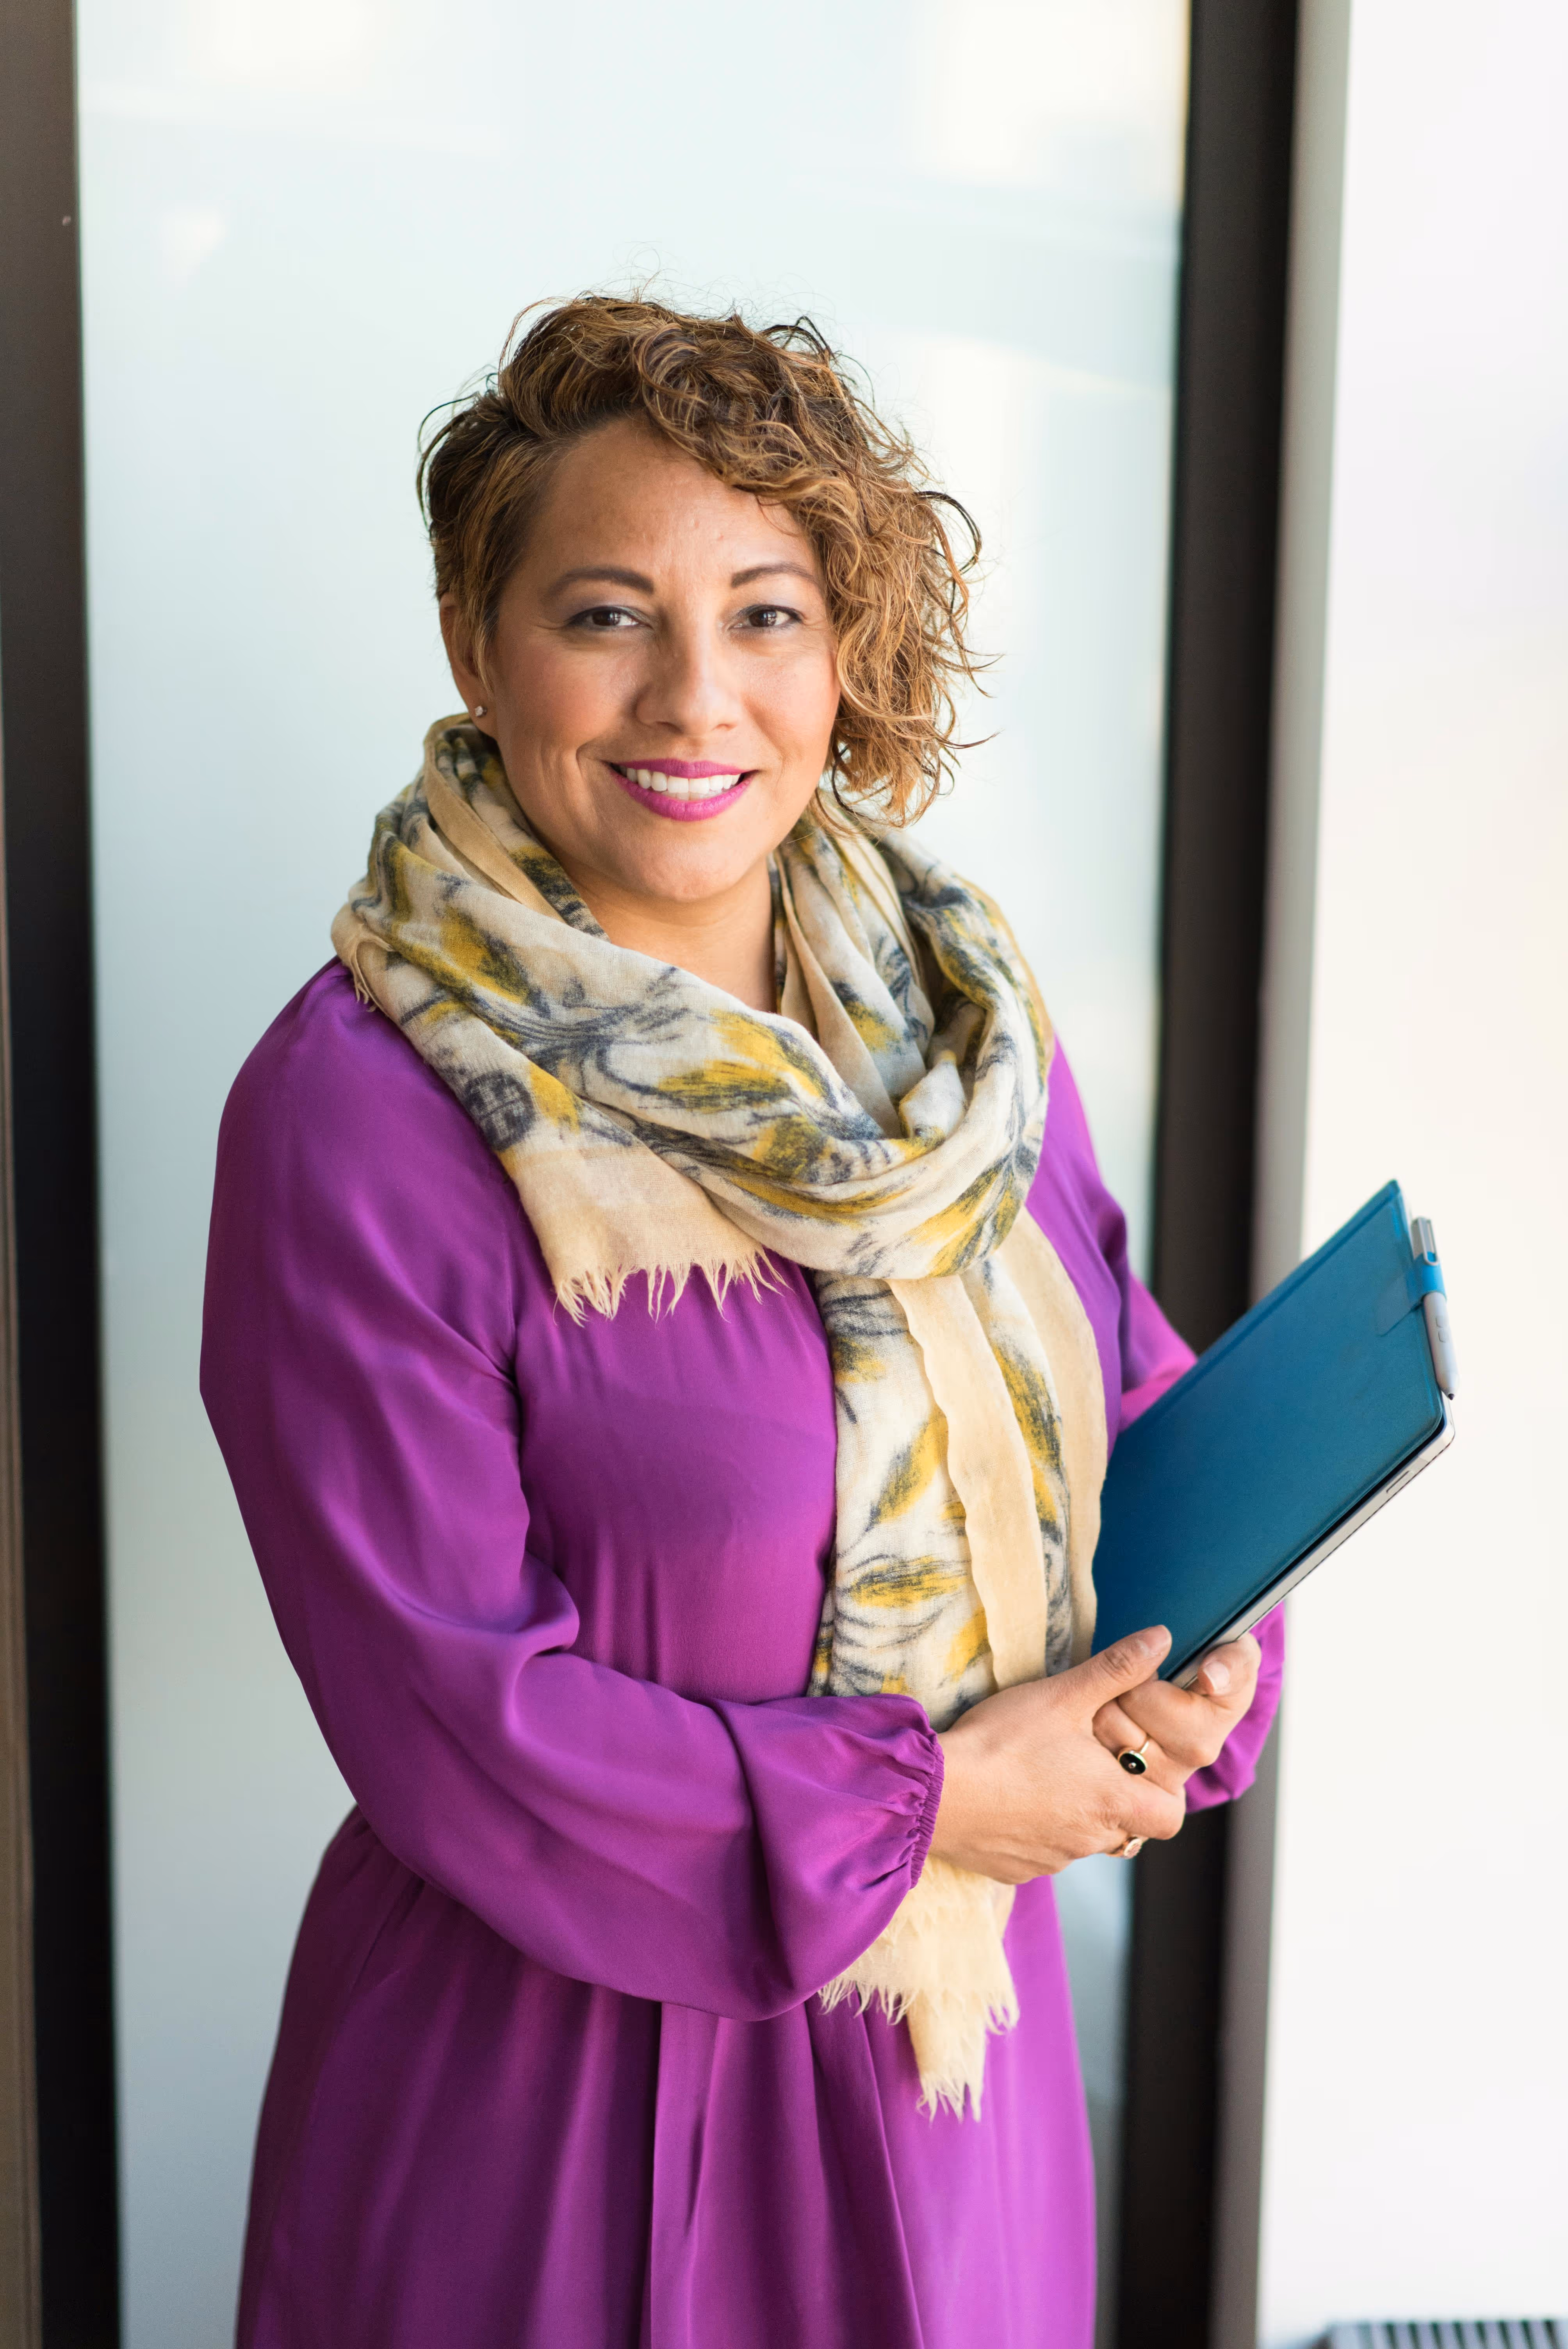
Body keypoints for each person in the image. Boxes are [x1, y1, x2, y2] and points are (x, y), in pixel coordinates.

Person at [202, 296, 1282, 2349]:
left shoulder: (959, 1026)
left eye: (768, 613)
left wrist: (1206, 1641)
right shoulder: (364, 1116)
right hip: (573, 2117)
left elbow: (1118, 1399)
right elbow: (457, 1719)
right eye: (607, 613)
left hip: (959, 2084)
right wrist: (929, 1804)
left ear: (845, 648)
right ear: (475, 638)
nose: (697, 694)